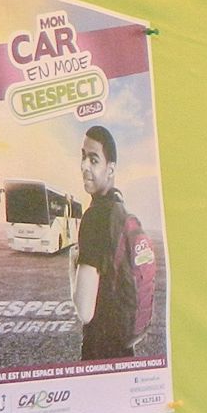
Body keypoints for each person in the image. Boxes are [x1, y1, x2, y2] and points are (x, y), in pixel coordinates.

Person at [73, 124, 137, 360]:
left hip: (100, 352)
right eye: (82, 157)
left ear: (110, 169)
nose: (84, 167)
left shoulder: (95, 217)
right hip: (124, 348)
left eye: (93, 160)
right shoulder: (120, 210)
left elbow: (84, 311)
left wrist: (73, 269)